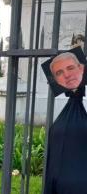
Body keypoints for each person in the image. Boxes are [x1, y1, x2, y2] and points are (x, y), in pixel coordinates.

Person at [44, 49, 87, 194]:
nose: (67, 75)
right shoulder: (57, 106)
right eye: (59, 73)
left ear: (81, 67)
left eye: (70, 68)